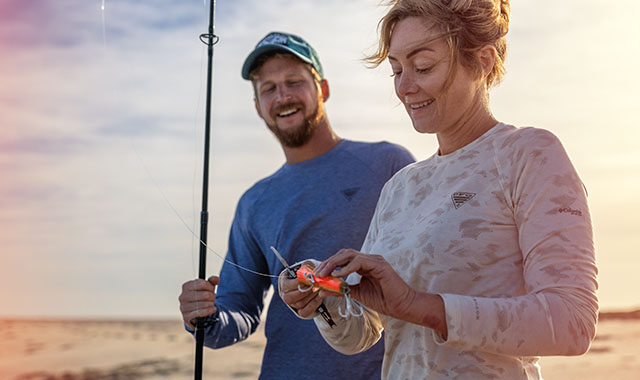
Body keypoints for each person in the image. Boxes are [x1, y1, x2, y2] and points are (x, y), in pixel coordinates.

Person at [279, 1, 599, 379]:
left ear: (482, 61)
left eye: (423, 66)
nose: (405, 87)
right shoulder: (400, 187)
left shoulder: (528, 155)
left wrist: (420, 305)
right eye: (396, 70)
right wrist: (320, 296)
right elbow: (363, 333)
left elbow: (572, 322)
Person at [178, 31, 415, 379]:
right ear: (258, 107)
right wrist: (205, 316)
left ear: (323, 89)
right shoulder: (254, 202)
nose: (283, 96)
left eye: (293, 82)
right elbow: (238, 314)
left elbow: (430, 271)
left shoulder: (389, 163)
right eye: (268, 88)